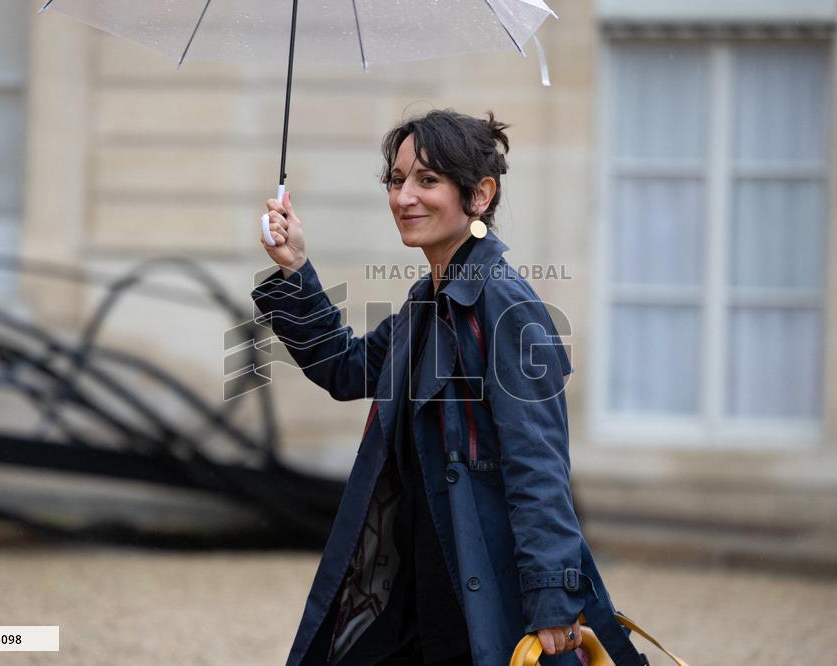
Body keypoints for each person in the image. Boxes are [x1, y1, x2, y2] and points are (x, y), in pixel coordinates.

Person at [253, 110, 618, 666]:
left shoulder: (507, 306)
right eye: (397, 180)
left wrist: (552, 598)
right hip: (411, 590)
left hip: (479, 596)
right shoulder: (425, 302)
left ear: (480, 195)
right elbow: (346, 368)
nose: (404, 198)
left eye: (427, 180)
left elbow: (537, 467)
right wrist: (294, 269)